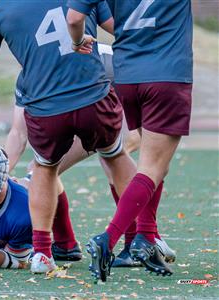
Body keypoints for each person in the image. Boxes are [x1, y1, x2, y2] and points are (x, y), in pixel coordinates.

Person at [0, 0, 139, 274]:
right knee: (111, 155)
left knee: (45, 168)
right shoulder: (78, 11)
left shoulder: (2, 13)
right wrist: (4, 176)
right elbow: (130, 31)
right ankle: (135, 239)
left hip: (55, 106)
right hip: (96, 98)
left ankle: (44, 252)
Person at [4, 44, 176, 268]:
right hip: (104, 108)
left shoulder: (97, 60)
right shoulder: (30, 76)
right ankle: (67, 244)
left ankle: (146, 236)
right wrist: (2, 174)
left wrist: (30, 178)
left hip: (143, 86)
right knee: (46, 165)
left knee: (115, 155)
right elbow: (18, 132)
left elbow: (110, 130)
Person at [67, 0, 193, 281]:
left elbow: (75, 18)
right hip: (167, 74)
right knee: (152, 166)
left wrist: (77, 41)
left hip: (128, 76)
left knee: (157, 162)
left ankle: (146, 238)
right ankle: (109, 239)